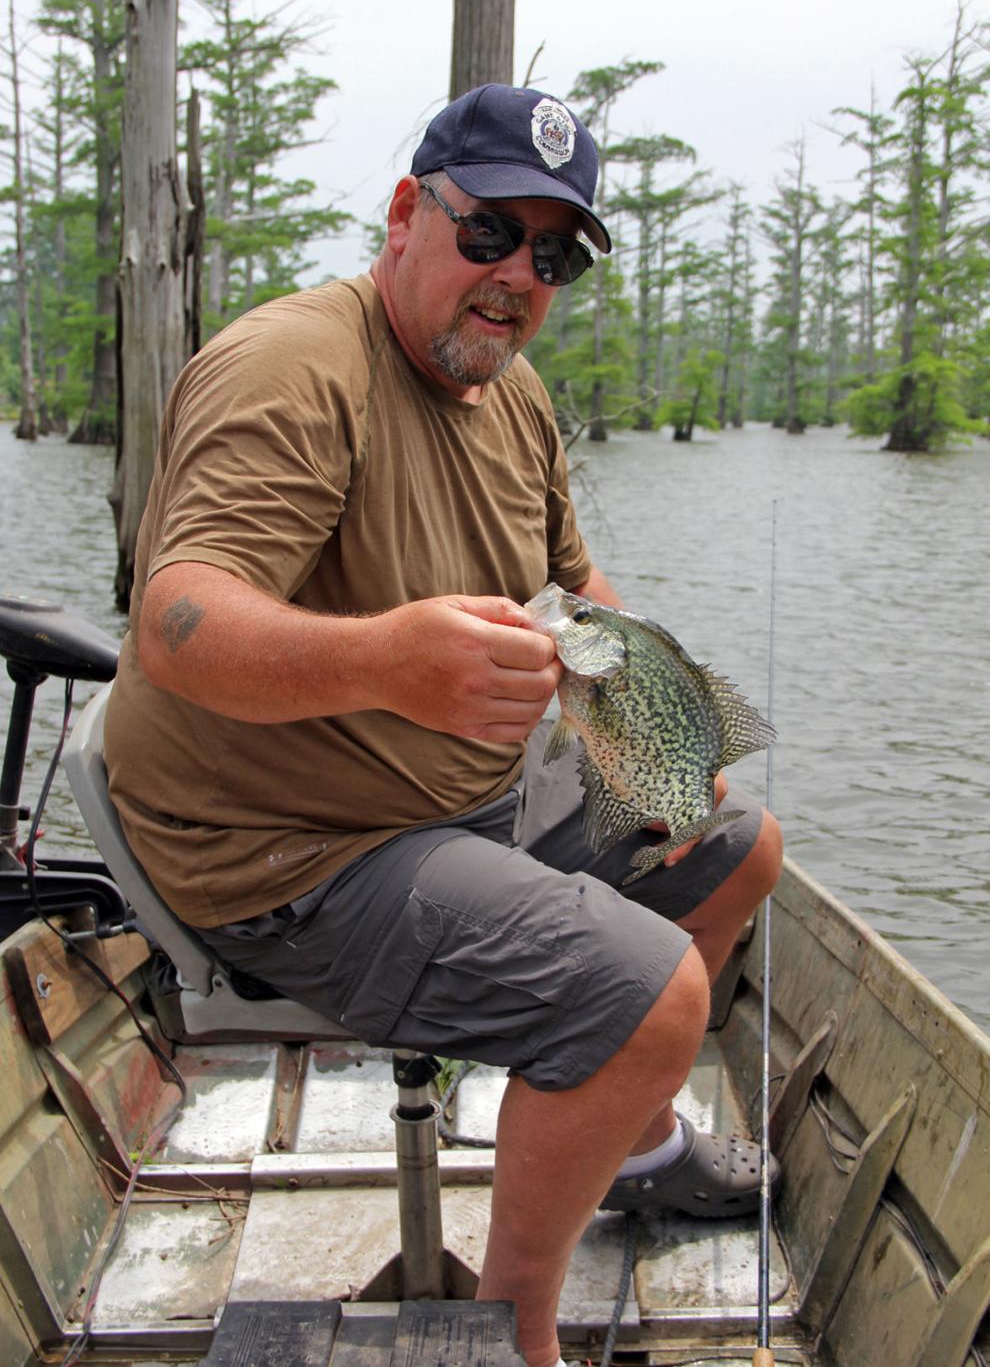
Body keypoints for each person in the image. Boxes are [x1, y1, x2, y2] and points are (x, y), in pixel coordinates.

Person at [104, 83, 783, 1367]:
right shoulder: (294, 369)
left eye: (555, 255)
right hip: (287, 850)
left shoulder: (511, 396)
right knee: (652, 998)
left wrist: (655, 720)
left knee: (738, 849)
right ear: (408, 212)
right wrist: (387, 662)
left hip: (465, 796)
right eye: (490, 233)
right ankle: (517, 1330)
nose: (518, 276)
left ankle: (630, 1145)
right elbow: (176, 623)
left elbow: (582, 592)